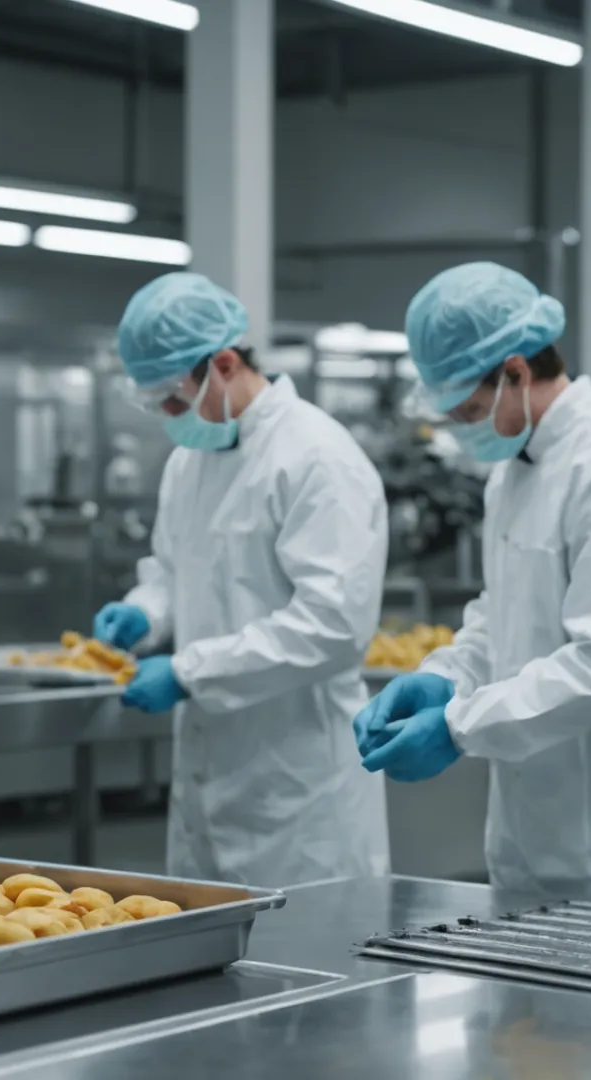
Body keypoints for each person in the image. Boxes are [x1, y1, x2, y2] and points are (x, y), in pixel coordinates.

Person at [352, 262, 591, 915]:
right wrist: (447, 674)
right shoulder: (516, 469)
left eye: (469, 410)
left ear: (516, 373)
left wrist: (457, 726)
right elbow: (500, 610)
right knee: (532, 1015)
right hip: (538, 819)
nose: (461, 429)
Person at [95, 271, 391, 888]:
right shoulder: (189, 461)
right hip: (208, 778)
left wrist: (186, 671)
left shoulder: (316, 458)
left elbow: (331, 626)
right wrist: (145, 611)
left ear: (224, 364)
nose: (167, 417)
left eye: (173, 399)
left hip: (300, 792)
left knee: (311, 959)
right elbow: (174, 572)